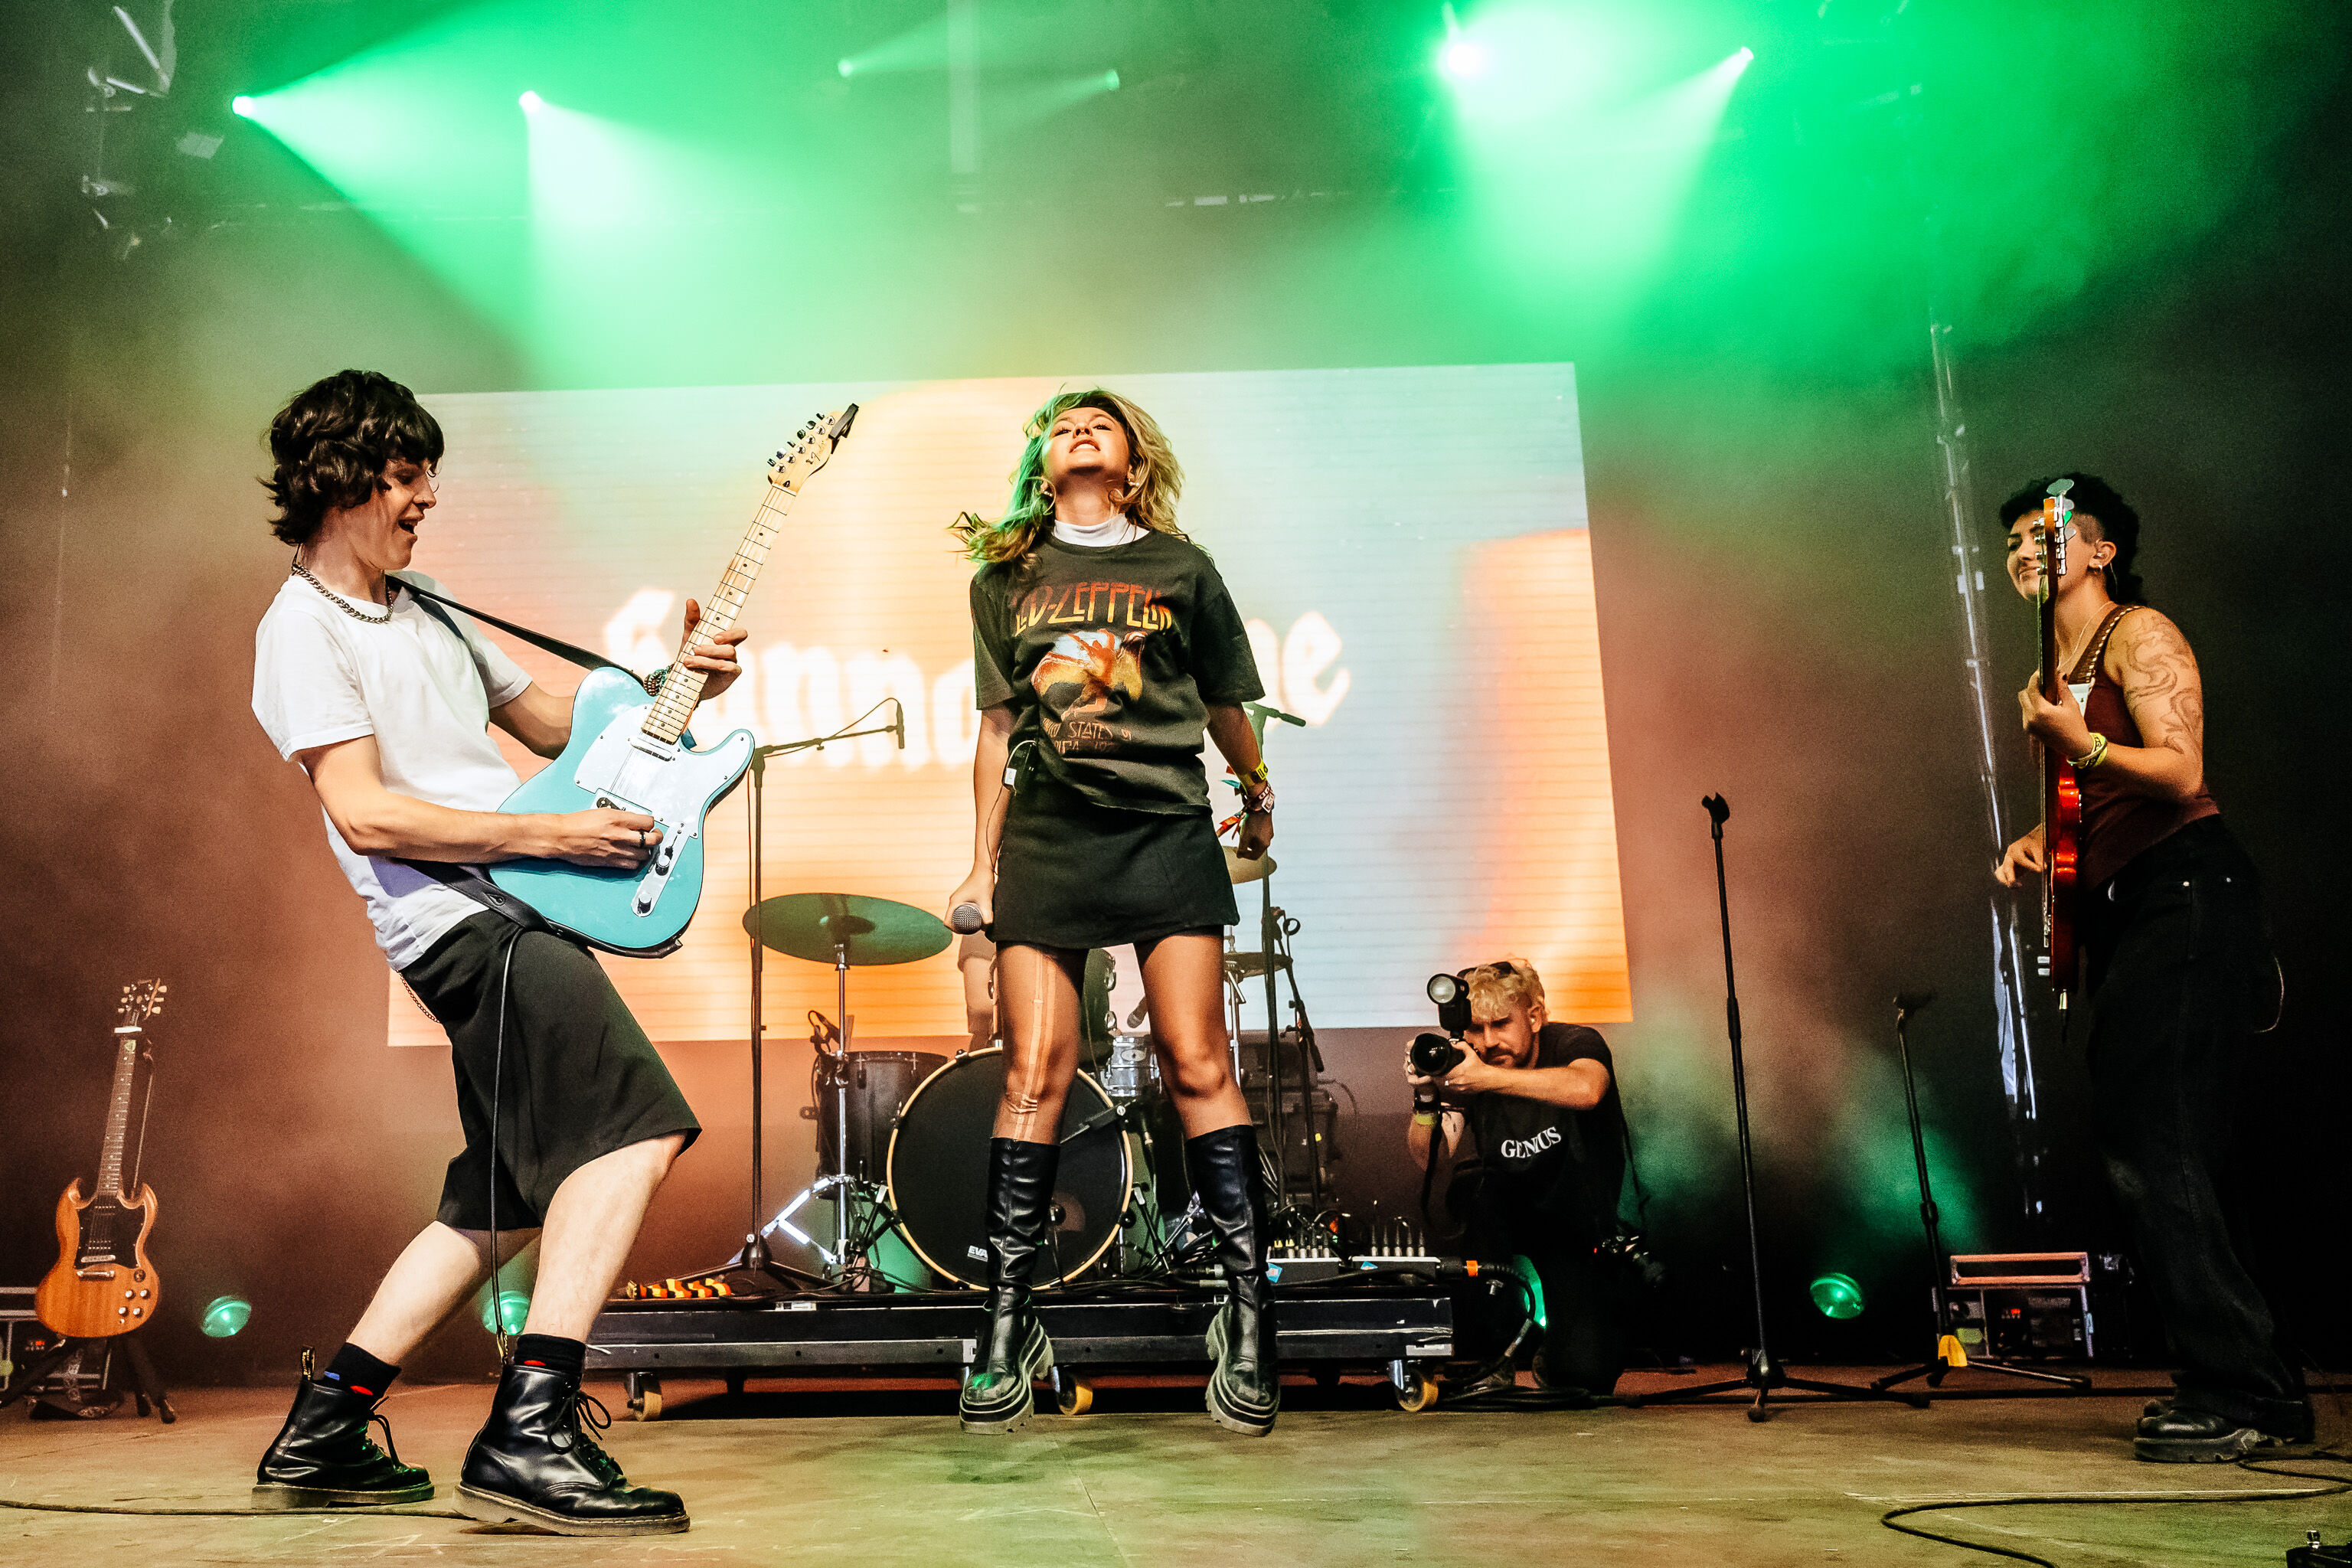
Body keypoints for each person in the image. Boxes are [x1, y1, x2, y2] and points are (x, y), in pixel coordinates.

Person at [247, 369, 746, 1533]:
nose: (427, 498)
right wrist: (550, 835)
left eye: (428, 476)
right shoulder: (299, 628)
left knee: (502, 1196)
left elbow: (562, 729)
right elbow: (367, 812)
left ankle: (326, 1425)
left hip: (516, 911)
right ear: (342, 480)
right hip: (466, 926)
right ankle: (530, 1429)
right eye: (406, 476)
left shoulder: (425, 601)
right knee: (637, 1132)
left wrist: (682, 683)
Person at [946, 389, 1280, 1436]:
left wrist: (1257, 789)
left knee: (1198, 1061)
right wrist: (980, 866)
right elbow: (997, 729)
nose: (1080, 428)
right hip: (1050, 832)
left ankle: (1249, 1316)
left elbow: (1224, 703)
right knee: (1033, 1071)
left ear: (1133, 462)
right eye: (1062, 425)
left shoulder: (1184, 568)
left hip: (1165, 827)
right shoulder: (1004, 578)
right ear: (1043, 465)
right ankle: (1008, 1322)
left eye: (1101, 421)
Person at [1994, 472, 2308, 1462]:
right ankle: (2247, 1380)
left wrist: (2080, 741)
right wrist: (2043, 838)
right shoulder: (2051, 669)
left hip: (2187, 889)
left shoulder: (2138, 632)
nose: (2025, 551)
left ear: (2101, 551)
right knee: (2158, 1138)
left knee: (2153, 1134)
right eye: (2012, 543)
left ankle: (2243, 1390)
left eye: (2045, 535)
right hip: (2133, 907)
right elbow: (2094, 800)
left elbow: (2180, 770)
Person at [1403, 959, 1628, 1399]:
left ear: (1535, 1016)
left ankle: (1555, 1351)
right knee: (1470, 1193)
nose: (1489, 1042)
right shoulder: (1468, 1065)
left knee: (1584, 1376)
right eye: (1476, 1028)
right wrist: (1426, 1097)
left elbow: (1587, 1090)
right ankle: (1492, 1353)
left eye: (1501, 1024)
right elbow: (1430, 1157)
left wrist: (1486, 1078)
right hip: (1505, 1213)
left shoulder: (1575, 1042)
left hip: (1575, 1217)